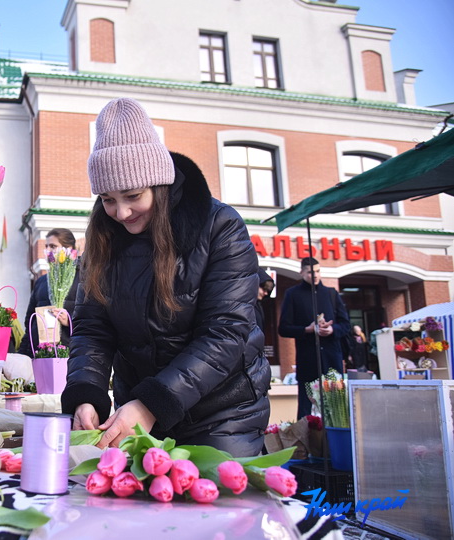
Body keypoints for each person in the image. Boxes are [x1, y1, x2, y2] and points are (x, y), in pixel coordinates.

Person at [61, 98, 270, 456]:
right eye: (107, 199)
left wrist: (152, 403)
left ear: (158, 184)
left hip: (222, 413)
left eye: (132, 196)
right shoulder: (103, 239)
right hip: (137, 411)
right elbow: (92, 328)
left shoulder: (220, 226)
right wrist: (87, 393)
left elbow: (225, 332)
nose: (121, 212)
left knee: (217, 508)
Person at [278, 256, 350, 419]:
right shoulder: (293, 294)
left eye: (318, 271)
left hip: (332, 360)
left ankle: (334, 441)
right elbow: (283, 328)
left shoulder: (331, 294)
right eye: (310, 272)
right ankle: (305, 442)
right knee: (305, 409)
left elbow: (346, 324)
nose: (315, 275)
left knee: (336, 407)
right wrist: (307, 330)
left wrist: (332, 329)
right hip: (308, 360)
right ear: (302, 273)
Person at [17, 228, 80, 358]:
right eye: (46, 246)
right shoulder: (42, 281)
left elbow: (91, 318)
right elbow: (31, 320)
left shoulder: (81, 279)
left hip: (69, 353)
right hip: (41, 352)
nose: (48, 251)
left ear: (68, 249)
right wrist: (23, 354)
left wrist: (69, 322)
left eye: (53, 246)